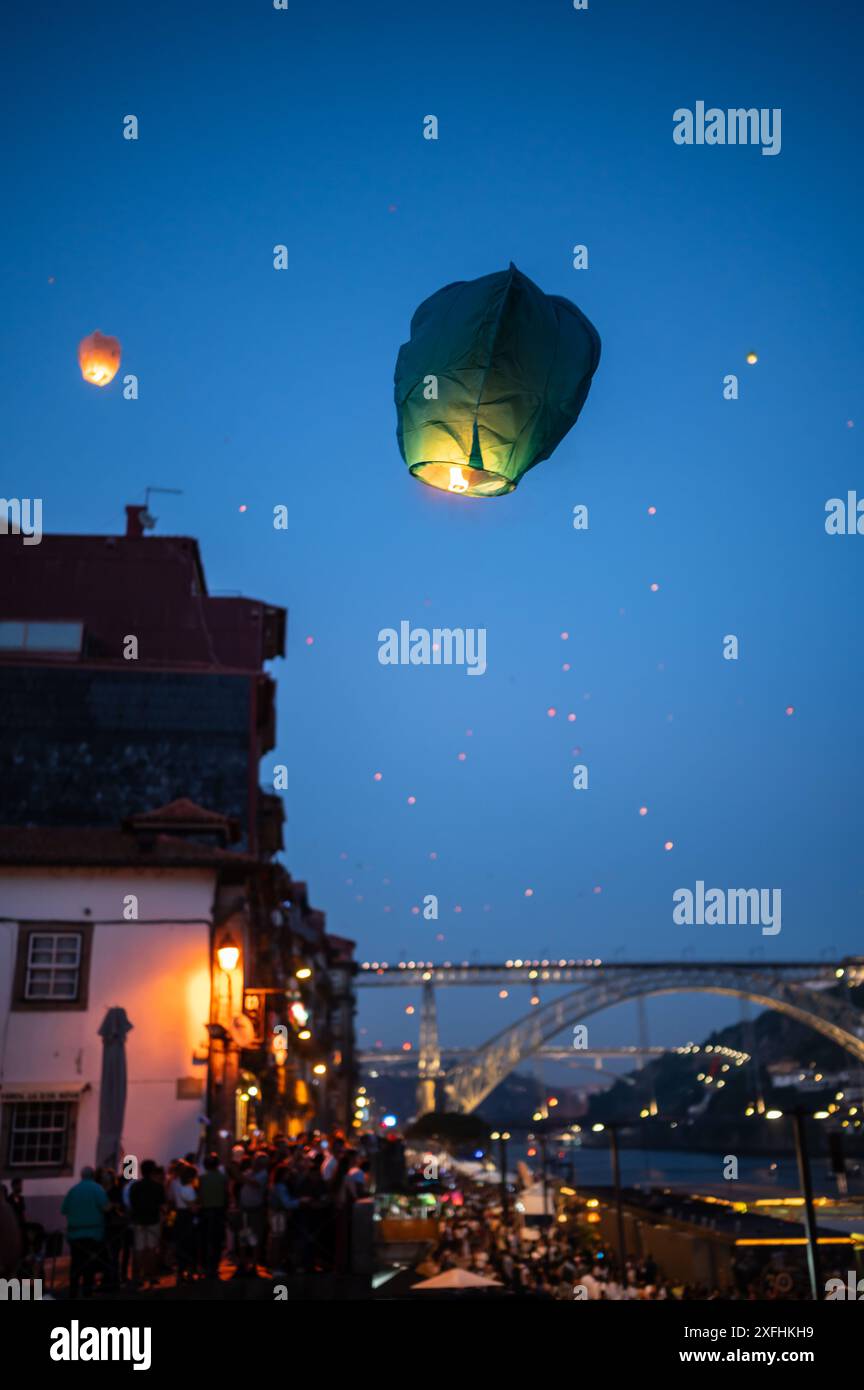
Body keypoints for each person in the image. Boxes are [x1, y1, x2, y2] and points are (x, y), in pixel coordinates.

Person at [61, 1166, 110, 1298]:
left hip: (75, 1234)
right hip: (93, 1234)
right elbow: (106, 1208)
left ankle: (73, 1291)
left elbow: (64, 1209)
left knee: (75, 1264)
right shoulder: (97, 1189)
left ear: (82, 1176)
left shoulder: (73, 1190)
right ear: (93, 1176)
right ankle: (87, 1292)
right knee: (89, 1264)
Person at [128, 1160, 165, 1289]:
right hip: (153, 1220)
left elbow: (131, 1204)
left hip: (138, 1220)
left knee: (138, 1250)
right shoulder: (158, 1187)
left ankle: (137, 1277)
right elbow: (162, 1206)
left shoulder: (135, 1186)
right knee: (152, 1249)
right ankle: (151, 1276)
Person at [198, 1152, 228, 1279]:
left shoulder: (202, 1178)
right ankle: (214, 1267)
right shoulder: (223, 1178)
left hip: (205, 1211)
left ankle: (205, 1267)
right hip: (219, 1212)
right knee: (217, 1241)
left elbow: (199, 1195)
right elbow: (226, 1194)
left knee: (205, 1240)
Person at [168, 1162, 199, 1285]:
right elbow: (193, 1208)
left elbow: (172, 1199)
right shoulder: (188, 1189)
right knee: (190, 1245)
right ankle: (190, 1272)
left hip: (179, 1215)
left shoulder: (175, 1184)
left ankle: (180, 1273)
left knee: (180, 1245)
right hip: (187, 1217)